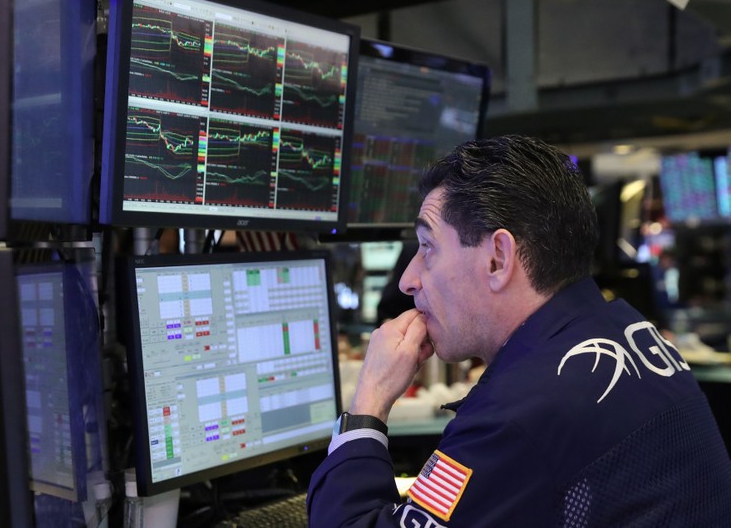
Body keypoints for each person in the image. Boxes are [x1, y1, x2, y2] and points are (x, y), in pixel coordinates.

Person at [307, 135, 731, 527]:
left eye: (428, 247)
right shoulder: (633, 331)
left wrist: (369, 403)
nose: (408, 279)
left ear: (498, 259)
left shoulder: (516, 417)